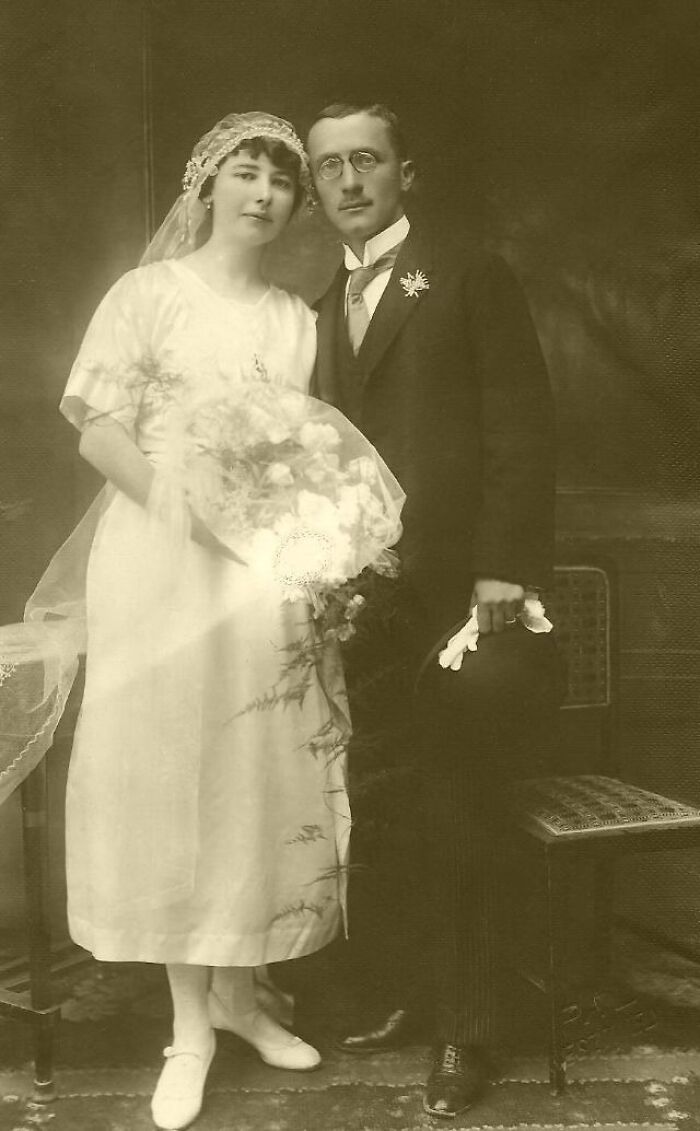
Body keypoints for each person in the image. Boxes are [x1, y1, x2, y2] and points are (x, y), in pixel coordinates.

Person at [24, 111, 403, 1131]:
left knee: (250, 776)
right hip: (159, 561)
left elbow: (307, 449)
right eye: (246, 173)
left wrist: (295, 543)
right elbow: (98, 434)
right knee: (169, 780)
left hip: (258, 576)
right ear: (206, 185)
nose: (265, 195)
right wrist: (197, 515)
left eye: (281, 182)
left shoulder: (293, 320)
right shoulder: (148, 294)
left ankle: (240, 997)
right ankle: (187, 1027)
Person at [307, 101, 556, 1117]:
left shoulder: (465, 274)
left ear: (404, 171)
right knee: (390, 810)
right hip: (371, 605)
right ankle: (414, 995)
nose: (349, 181)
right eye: (330, 167)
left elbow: (522, 425)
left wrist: (503, 569)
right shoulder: (319, 306)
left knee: (461, 809)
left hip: (466, 601)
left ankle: (470, 1030)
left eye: (367, 160)